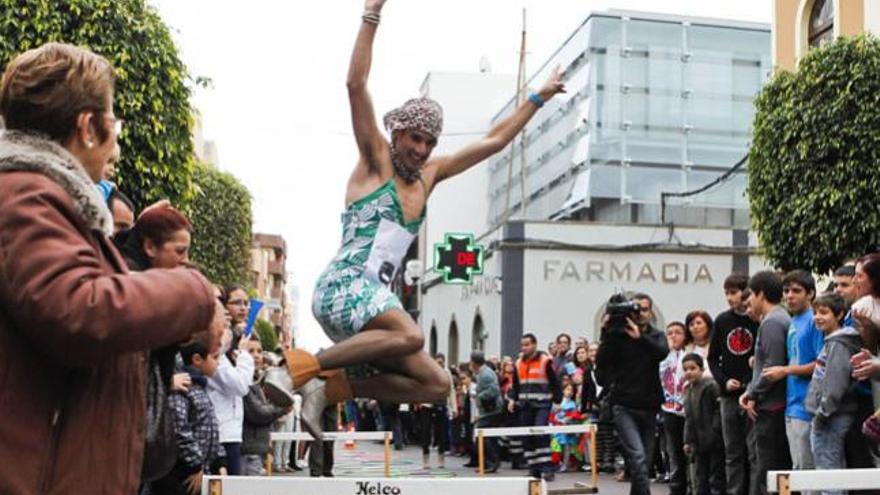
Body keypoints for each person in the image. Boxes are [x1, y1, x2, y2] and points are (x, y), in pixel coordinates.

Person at [290, 0, 566, 439]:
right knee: (414, 335)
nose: (421, 151)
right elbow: (355, 84)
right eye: (415, 140)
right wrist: (371, 14)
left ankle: (332, 390)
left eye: (430, 143)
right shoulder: (375, 159)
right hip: (342, 286)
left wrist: (538, 98)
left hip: (374, 303)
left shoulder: (430, 175)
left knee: (436, 384)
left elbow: (494, 141)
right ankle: (298, 368)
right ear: (397, 133)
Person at [0, 42, 222, 494]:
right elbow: (80, 310)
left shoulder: (41, 198)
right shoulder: (26, 196)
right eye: (114, 121)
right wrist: (194, 293)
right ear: (87, 126)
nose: (117, 143)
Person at [596, 293, 668, 495]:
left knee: (643, 464)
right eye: (637, 309)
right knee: (637, 458)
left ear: (650, 312)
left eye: (644, 309)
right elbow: (602, 369)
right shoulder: (617, 337)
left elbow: (662, 352)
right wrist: (606, 333)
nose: (641, 313)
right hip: (623, 406)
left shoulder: (655, 336)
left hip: (649, 406)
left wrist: (640, 337)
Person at [759, 270, 823, 477]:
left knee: (808, 472)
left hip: (808, 405)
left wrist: (784, 370)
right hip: (791, 404)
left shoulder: (815, 321)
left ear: (810, 294)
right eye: (786, 291)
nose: (790, 296)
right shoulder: (793, 321)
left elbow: (821, 364)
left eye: (796, 291)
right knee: (796, 470)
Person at [153, 336, 227, 495]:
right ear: (197, 359)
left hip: (199, 471)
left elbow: (210, 428)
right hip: (182, 476)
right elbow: (179, 428)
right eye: (214, 358)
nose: (218, 363)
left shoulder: (200, 388)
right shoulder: (183, 387)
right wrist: (194, 464)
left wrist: (219, 461)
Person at [739, 271, 792, 495]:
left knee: (771, 471)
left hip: (771, 407)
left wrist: (750, 393)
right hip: (773, 405)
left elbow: (772, 367)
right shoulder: (780, 318)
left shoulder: (772, 322)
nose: (748, 301)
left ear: (760, 293)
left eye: (750, 295)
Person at [707, 275, 758, 495]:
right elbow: (712, 358)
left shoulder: (756, 320)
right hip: (728, 396)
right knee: (732, 452)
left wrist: (749, 382)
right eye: (726, 293)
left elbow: (762, 356)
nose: (730, 298)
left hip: (753, 393)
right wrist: (724, 380)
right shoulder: (722, 321)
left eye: (734, 292)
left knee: (754, 452)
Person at [805, 293, 862, 488]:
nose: (817, 317)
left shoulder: (838, 343)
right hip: (831, 416)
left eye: (824, 312)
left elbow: (835, 384)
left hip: (832, 418)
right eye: (815, 312)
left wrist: (822, 414)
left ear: (839, 315)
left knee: (829, 476)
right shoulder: (832, 341)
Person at [209, 286, 257, 475]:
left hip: (234, 432)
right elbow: (240, 386)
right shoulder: (214, 343)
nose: (243, 308)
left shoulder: (236, 342)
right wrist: (244, 355)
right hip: (219, 433)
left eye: (246, 303)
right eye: (237, 302)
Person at [512, 333, 562, 481]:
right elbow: (516, 384)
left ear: (534, 345)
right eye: (522, 345)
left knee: (540, 433)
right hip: (525, 405)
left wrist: (557, 400)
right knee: (527, 436)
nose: (524, 348)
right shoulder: (518, 363)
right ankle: (534, 469)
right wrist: (512, 399)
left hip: (542, 404)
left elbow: (555, 381)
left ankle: (547, 469)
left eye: (527, 345)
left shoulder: (545, 361)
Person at [241, 337, 290, 476]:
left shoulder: (256, 381)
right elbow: (258, 413)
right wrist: (281, 409)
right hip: (248, 450)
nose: (256, 355)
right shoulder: (244, 382)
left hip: (256, 449)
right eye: (250, 351)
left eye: (259, 351)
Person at [682, 353, 725, 495]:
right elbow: (688, 418)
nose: (689, 372)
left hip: (713, 440)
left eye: (693, 368)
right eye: (686, 369)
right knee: (701, 477)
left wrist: (715, 430)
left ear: (701, 369)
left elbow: (718, 411)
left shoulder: (711, 386)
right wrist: (687, 440)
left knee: (716, 476)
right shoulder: (687, 390)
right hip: (698, 442)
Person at [660, 321, 690, 495]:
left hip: (688, 409)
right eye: (670, 333)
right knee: (674, 451)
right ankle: (677, 487)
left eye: (678, 332)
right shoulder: (663, 357)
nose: (673, 336)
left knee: (689, 449)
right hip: (669, 408)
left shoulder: (689, 352)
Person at [472, 351, 503, 473]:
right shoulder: (483, 372)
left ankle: (492, 462)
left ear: (473, 362)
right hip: (489, 410)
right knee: (489, 437)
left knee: (480, 435)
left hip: (491, 410)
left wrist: (480, 396)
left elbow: (495, 389)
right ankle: (487, 463)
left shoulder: (485, 374)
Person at [685, 310, 714, 378]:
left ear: (708, 326)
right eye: (691, 324)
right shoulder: (685, 350)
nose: (695, 327)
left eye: (699, 323)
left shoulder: (716, 347)